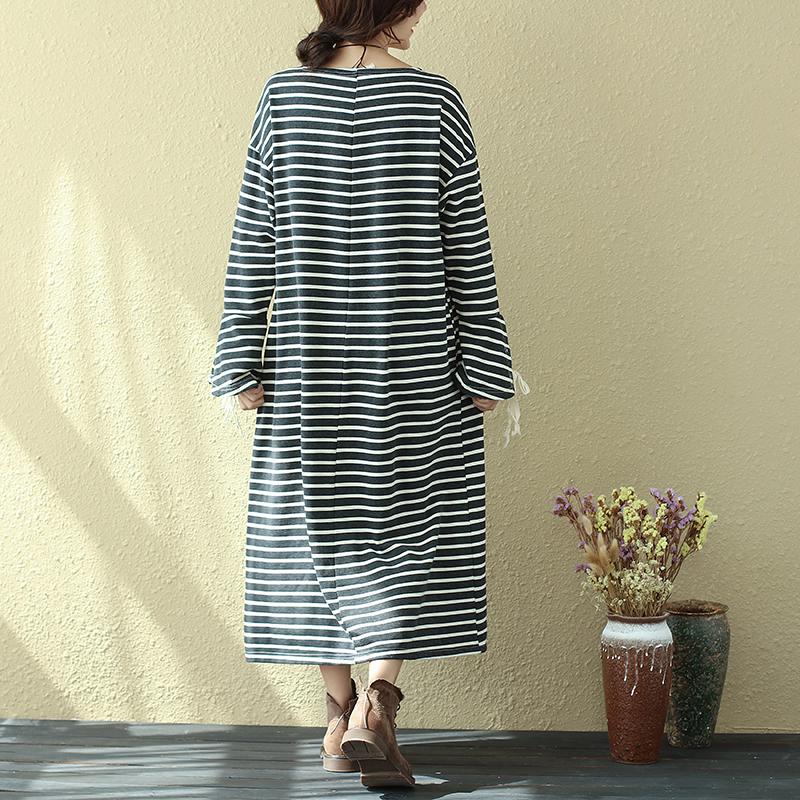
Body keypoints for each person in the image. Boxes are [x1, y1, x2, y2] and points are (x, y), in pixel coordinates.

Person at [207, 0, 530, 788]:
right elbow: (467, 243)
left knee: (315, 533)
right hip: (412, 361)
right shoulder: (433, 98)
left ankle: (338, 712)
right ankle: (378, 705)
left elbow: (254, 236)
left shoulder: (284, 97)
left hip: (309, 363)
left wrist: (239, 355)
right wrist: (487, 362)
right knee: (409, 524)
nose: (425, 12)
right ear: (390, 7)